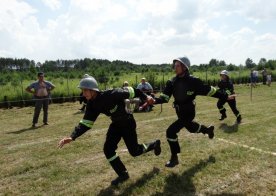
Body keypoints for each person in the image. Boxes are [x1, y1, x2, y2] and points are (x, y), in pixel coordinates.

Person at [58, 76, 161, 186]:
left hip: (128, 123)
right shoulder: (92, 105)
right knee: (108, 149)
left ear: (93, 90)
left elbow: (135, 91)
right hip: (116, 125)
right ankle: (123, 174)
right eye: (82, 91)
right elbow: (86, 123)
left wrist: (146, 97)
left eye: (85, 90)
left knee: (135, 151)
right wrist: (72, 137)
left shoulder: (112, 94)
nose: (83, 94)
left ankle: (154, 144)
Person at [153, 56, 235, 168]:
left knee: (171, 132)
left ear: (184, 67)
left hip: (189, 111)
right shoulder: (172, 82)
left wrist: (225, 96)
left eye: (178, 65)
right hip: (179, 111)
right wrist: (152, 100)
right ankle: (207, 130)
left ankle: (174, 157)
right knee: (191, 128)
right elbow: (164, 98)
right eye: (175, 65)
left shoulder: (194, 81)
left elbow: (209, 90)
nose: (175, 68)